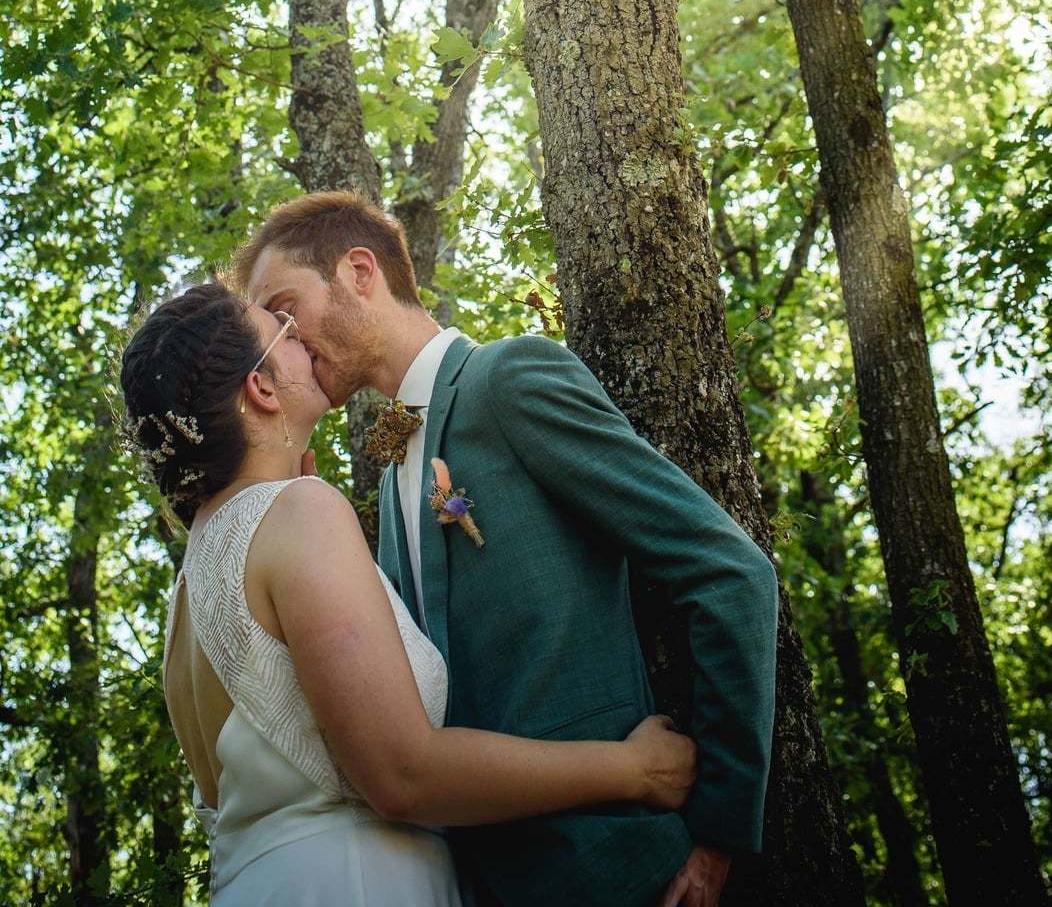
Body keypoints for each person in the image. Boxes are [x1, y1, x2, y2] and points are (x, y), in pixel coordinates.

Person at [236, 192, 779, 907]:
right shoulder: (390, 469)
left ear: (359, 271)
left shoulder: (509, 379)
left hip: (626, 871)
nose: (283, 341)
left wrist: (719, 834)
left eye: (284, 308)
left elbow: (731, 573)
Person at [120, 281, 697, 907]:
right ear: (260, 387)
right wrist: (636, 771)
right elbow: (403, 774)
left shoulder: (190, 585)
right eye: (283, 329)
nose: (304, 340)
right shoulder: (299, 513)